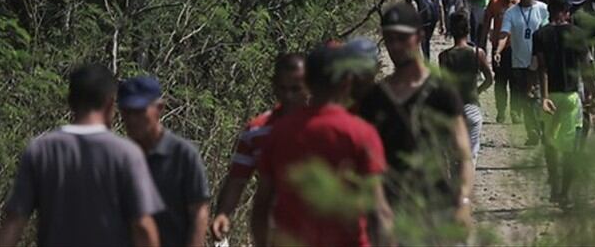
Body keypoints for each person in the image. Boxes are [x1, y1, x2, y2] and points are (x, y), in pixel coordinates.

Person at [0, 64, 164, 247]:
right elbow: (143, 227)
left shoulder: (40, 150)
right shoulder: (126, 154)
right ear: (110, 104)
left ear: (70, 102)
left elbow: (14, 220)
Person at [252, 44, 394, 247]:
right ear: (346, 82)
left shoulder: (279, 132)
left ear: (308, 83)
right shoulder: (361, 133)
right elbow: (379, 210)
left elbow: (261, 207)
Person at [358, 2, 474, 237]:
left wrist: (463, 201)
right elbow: (367, 163)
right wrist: (380, 210)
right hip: (390, 208)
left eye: (402, 38)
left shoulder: (441, 92)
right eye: (390, 39)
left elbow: (462, 153)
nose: (396, 46)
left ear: (419, 36)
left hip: (435, 205)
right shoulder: (375, 99)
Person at [210, 53, 307, 242]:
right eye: (283, 88)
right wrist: (223, 213)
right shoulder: (257, 131)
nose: (288, 96)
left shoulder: (327, 128)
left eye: (296, 89)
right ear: (274, 86)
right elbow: (237, 178)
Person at [119, 76, 210, 247]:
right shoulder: (119, 156)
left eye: (139, 112)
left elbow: (199, 212)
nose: (132, 119)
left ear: (159, 108)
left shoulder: (183, 155)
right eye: (127, 112)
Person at [534, 0, 595, 204]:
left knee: (550, 144)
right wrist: (592, 94)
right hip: (571, 96)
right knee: (572, 148)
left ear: (549, 10)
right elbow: (586, 66)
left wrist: (543, 96)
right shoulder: (577, 34)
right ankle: (565, 193)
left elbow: (541, 68)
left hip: (550, 96)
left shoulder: (540, 35)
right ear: (567, 12)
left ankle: (554, 187)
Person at [495, 0, 549, 146]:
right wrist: (498, 50)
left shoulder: (542, 9)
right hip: (519, 62)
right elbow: (504, 33)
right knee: (525, 98)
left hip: (539, 62)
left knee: (538, 97)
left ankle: (541, 128)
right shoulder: (511, 13)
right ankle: (532, 132)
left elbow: (547, 31)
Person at [439, 11, 495, 165]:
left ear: (451, 31)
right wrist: (478, 90)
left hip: (453, 110)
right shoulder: (478, 53)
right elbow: (489, 79)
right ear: (468, 30)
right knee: (471, 156)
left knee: (454, 156)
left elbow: (444, 85)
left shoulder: (444, 56)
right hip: (472, 107)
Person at [562, 0, 595, 138]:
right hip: (586, 62)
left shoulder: (566, 16)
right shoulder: (592, 20)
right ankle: (585, 132)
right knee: (587, 99)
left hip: (567, 63)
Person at [478, 0, 520, 123]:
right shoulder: (495, 2)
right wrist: (482, 43)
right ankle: (501, 111)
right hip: (499, 48)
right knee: (501, 80)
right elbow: (486, 23)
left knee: (516, 81)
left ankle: (515, 111)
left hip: (516, 47)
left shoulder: (519, 2)